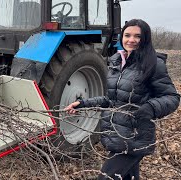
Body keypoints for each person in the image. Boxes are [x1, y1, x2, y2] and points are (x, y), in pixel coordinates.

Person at [65, 19, 180, 179]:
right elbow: (111, 100)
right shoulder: (116, 62)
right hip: (115, 135)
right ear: (122, 37)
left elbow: (172, 97)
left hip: (135, 137)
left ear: (145, 39)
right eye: (127, 35)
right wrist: (83, 103)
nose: (131, 40)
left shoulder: (153, 64)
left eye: (137, 36)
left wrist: (150, 108)